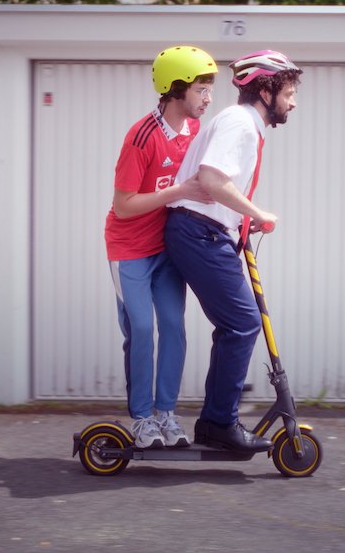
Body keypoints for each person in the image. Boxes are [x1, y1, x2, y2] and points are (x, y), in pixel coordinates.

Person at [164, 50, 302, 452]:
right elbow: (210, 179)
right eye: (289, 92)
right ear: (265, 90)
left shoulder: (242, 124)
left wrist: (244, 218)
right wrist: (257, 211)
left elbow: (219, 187)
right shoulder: (240, 123)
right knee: (242, 321)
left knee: (238, 323)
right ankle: (219, 424)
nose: (293, 101)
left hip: (206, 231)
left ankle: (216, 422)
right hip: (198, 232)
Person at [104, 45, 217, 449]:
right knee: (142, 329)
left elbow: (208, 186)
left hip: (167, 248)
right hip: (129, 248)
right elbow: (124, 204)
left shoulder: (195, 135)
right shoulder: (141, 137)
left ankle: (166, 414)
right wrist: (178, 192)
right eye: (202, 89)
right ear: (175, 88)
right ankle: (141, 418)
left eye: (209, 89)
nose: (208, 98)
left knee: (173, 327)